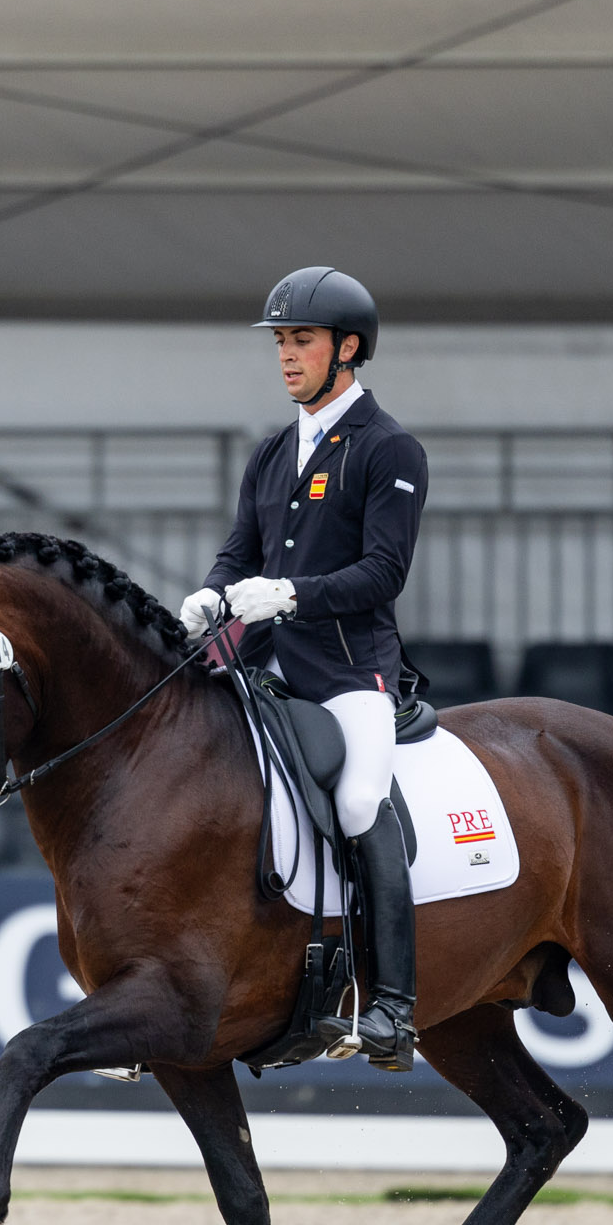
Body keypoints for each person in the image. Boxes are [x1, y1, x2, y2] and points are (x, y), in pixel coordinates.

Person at [180, 266, 429, 1072]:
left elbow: (383, 572)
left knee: (359, 799)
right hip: (263, 667)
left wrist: (289, 595)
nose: (287, 356)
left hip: (350, 670)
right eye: (282, 341)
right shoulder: (274, 451)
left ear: (347, 349)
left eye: (303, 341)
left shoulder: (388, 449)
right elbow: (238, 550)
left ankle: (393, 1004)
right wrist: (212, 597)